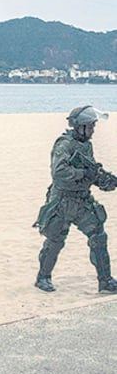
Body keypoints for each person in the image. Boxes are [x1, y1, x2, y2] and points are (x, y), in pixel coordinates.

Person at [34, 106, 117, 293]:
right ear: (79, 126)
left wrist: (102, 180)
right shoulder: (64, 144)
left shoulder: (86, 145)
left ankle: (105, 280)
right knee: (55, 241)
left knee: (98, 236)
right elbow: (59, 172)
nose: (93, 130)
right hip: (62, 201)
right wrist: (83, 172)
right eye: (90, 126)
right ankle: (43, 277)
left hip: (82, 201)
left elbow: (90, 171)